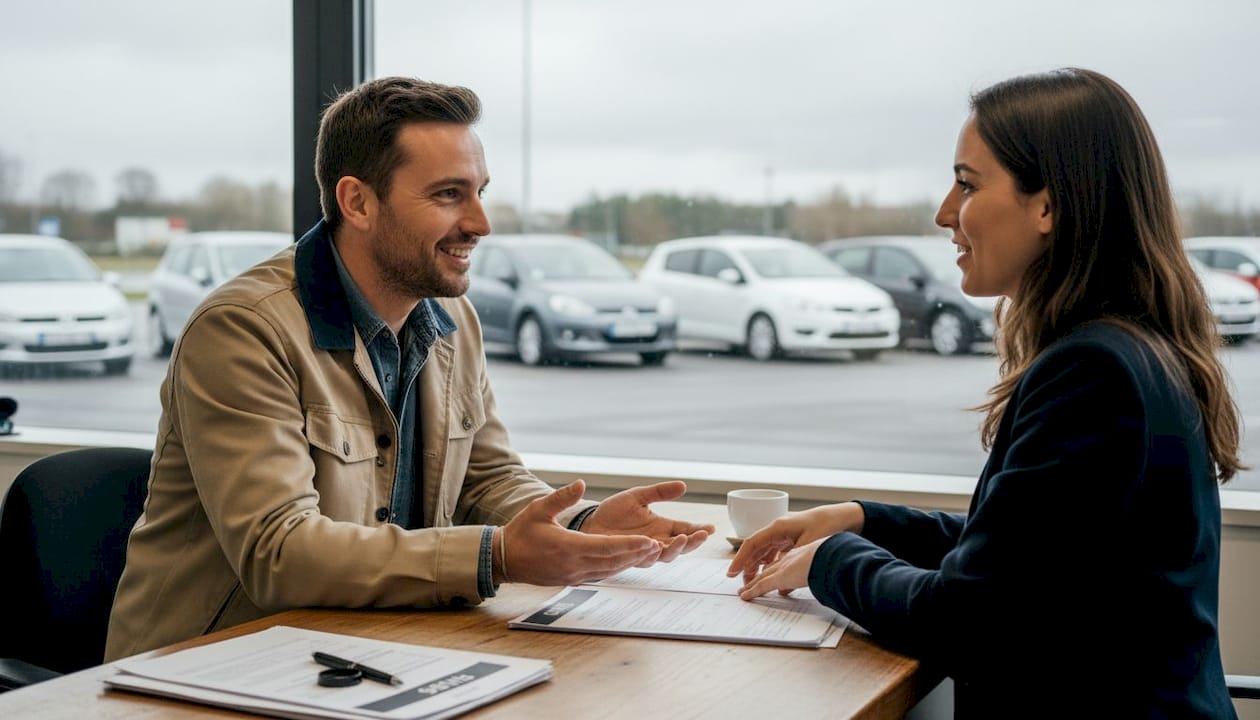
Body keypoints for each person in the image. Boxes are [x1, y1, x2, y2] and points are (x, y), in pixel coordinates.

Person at [105, 76, 713, 661]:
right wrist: (497, 556)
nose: (480, 222)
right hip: (206, 668)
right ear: (358, 202)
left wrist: (582, 524)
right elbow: (279, 552)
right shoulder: (243, 329)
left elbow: (486, 479)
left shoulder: (454, 319)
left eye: (480, 191)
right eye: (449, 194)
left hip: (366, 649)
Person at [728, 68, 1242, 718]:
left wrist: (832, 560)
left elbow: (966, 618)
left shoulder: (1090, 371)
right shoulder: (1138, 349)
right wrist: (864, 519)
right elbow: (1030, 551)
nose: (945, 213)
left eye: (967, 184)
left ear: (1048, 205)